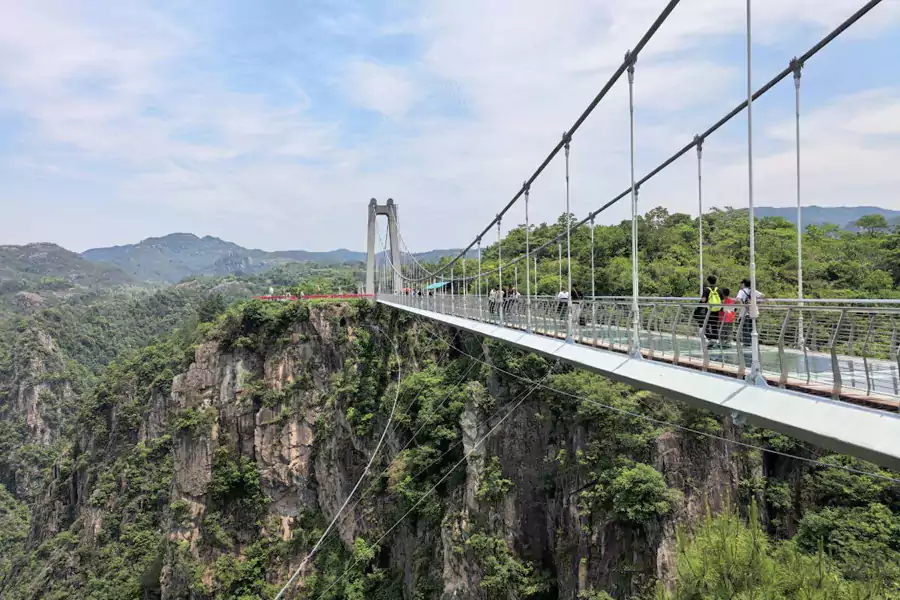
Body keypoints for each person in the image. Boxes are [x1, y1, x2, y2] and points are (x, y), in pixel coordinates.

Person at [736, 278, 764, 347]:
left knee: (745, 330)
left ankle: (747, 345)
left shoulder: (741, 291)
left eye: (741, 283)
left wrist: (743, 306)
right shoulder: (753, 291)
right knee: (753, 329)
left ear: (744, 284)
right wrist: (755, 302)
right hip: (754, 313)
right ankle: (753, 344)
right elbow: (762, 296)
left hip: (744, 313)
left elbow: (738, 299)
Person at [700, 274, 723, 344]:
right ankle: (715, 339)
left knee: (705, 324)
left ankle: (709, 338)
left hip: (708, 310)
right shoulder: (719, 290)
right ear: (715, 281)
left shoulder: (706, 289)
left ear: (708, 281)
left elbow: (703, 300)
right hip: (717, 310)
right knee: (714, 325)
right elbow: (722, 300)